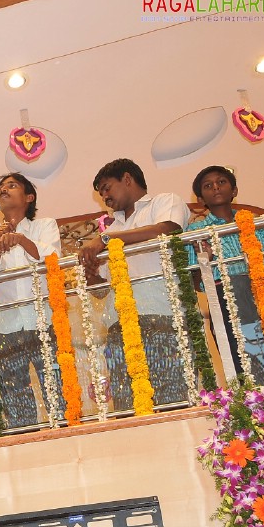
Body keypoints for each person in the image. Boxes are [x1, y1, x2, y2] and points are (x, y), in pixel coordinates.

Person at [79, 158, 190, 410]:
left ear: (127, 179)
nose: (104, 196)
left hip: (163, 317)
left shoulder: (163, 202)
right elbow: (101, 293)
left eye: (107, 188)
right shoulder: (114, 228)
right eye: (100, 193)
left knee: (173, 398)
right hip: (119, 326)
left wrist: (106, 239)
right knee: (127, 406)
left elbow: (166, 230)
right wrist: (92, 275)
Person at [0, 173, 61, 429]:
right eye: (0, 187)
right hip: (6, 326)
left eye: (11, 185)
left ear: (29, 197)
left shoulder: (44, 225)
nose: (3, 189)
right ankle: (25, 442)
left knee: (55, 386)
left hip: (43, 319)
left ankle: (65, 437)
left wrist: (21, 239)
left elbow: (52, 257)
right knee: (14, 395)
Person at [185, 165, 264, 383]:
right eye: (208, 186)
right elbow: (194, 281)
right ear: (200, 199)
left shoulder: (255, 223)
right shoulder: (196, 232)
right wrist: (206, 260)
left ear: (234, 190)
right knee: (246, 361)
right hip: (226, 298)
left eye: (221, 182)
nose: (215, 187)